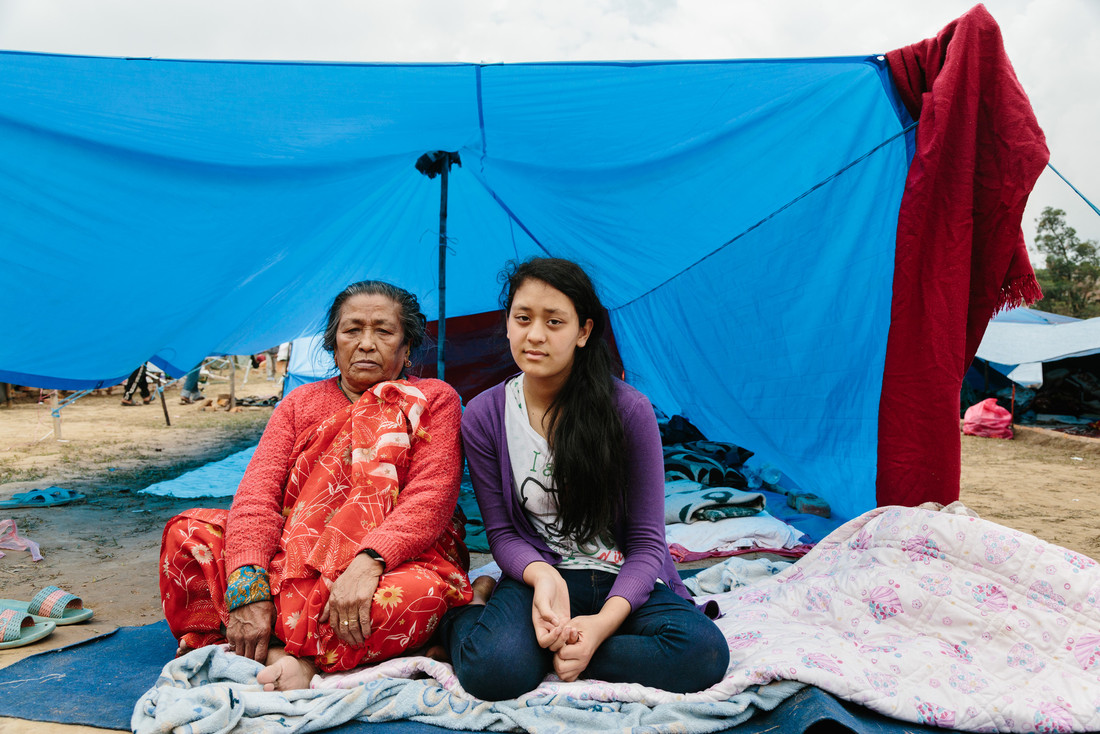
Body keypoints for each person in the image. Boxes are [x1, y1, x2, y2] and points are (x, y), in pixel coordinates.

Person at [438, 258, 729, 700]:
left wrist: (597, 630)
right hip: (542, 577)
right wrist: (542, 578)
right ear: (509, 324)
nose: (535, 335)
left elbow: (648, 542)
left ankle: (559, 651)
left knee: (704, 654)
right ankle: (470, 614)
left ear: (583, 332)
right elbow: (500, 533)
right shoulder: (483, 416)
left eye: (554, 321)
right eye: (523, 319)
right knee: (492, 671)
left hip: (623, 579)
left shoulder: (628, 410)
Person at [159, 281, 471, 691]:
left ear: (407, 347)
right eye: (352, 330)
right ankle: (306, 646)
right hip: (292, 556)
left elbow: (429, 501)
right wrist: (249, 582)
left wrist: (367, 563)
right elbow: (257, 495)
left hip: (387, 562)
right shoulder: (300, 403)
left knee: (422, 594)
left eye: (383, 331)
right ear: (333, 343)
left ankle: (280, 651)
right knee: (186, 533)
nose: (365, 343)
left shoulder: (434, 399)